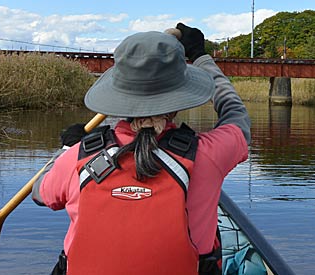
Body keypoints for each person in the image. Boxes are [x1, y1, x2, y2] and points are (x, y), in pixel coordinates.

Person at [32, 24, 251, 275]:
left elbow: (41, 193)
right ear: (179, 99)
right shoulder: (209, 155)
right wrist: (200, 56)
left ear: (119, 96)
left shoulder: (78, 157)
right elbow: (237, 116)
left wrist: (68, 147)